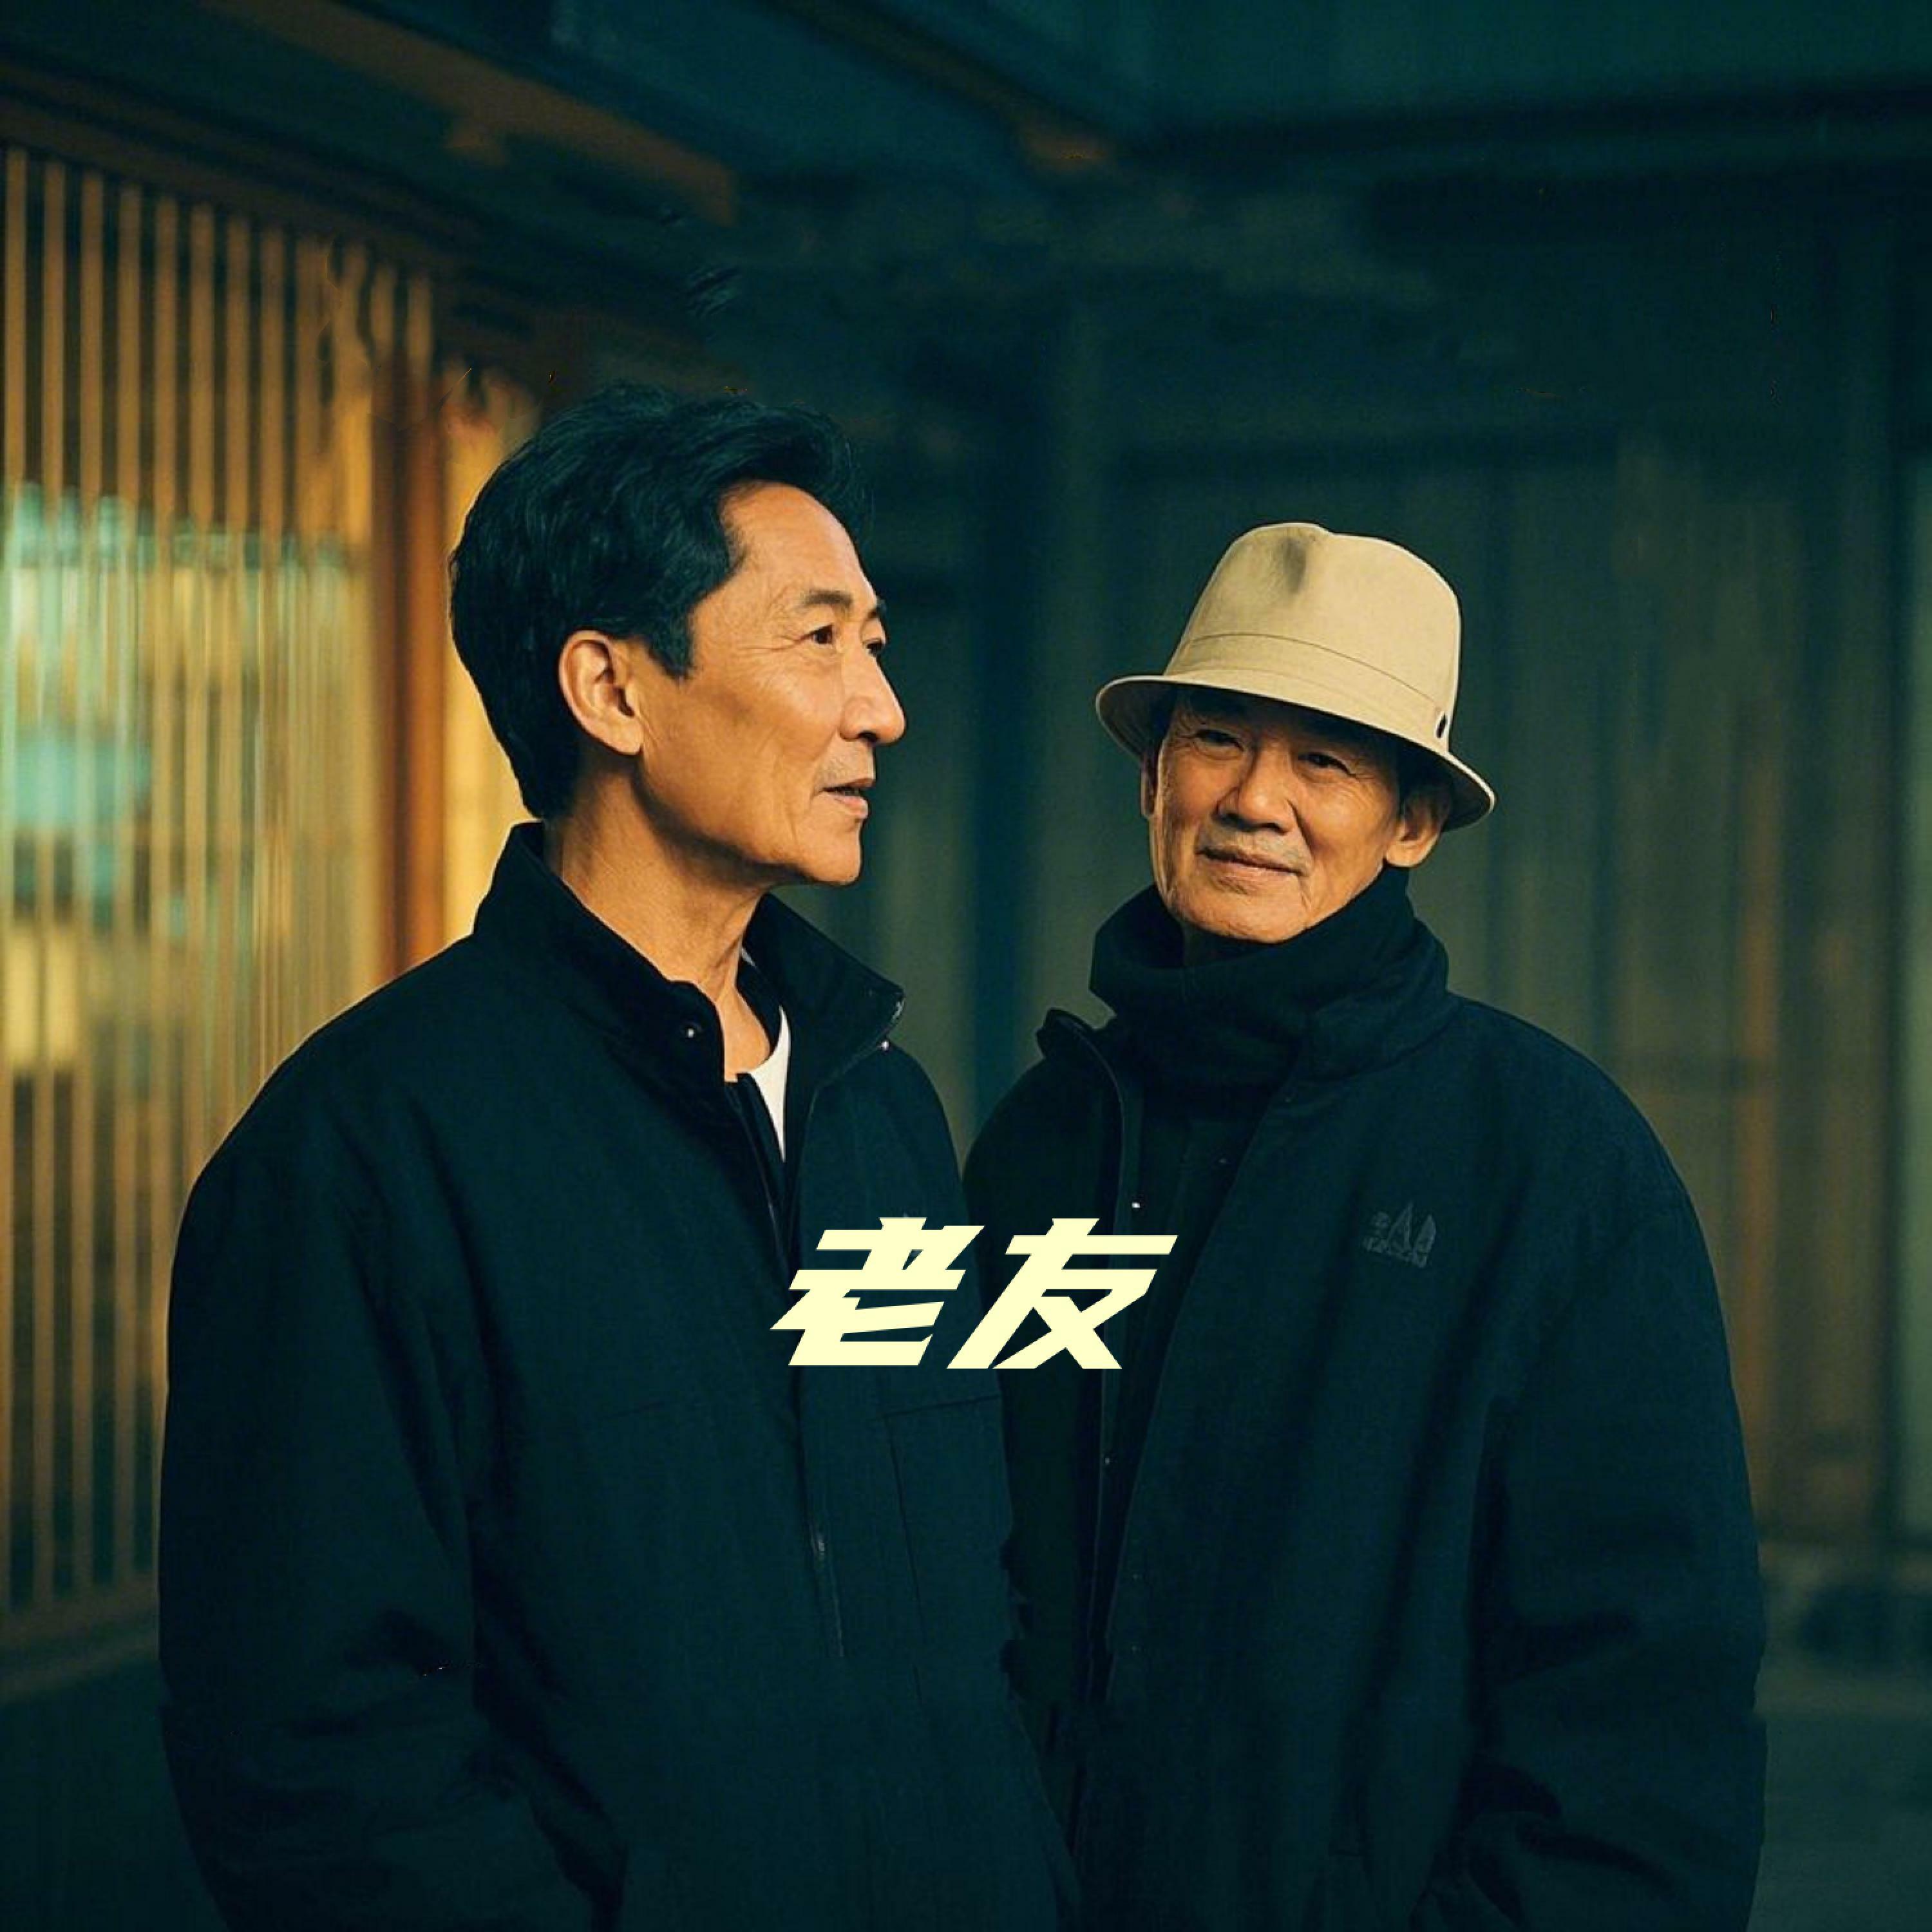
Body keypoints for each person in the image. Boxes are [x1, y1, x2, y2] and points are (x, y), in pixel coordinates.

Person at [160, 385, 1069, 1932]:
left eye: (875, 644)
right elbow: (318, 1764)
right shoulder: (363, 1154)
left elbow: (970, 1610)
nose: (880, 709)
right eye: (819, 639)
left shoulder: (879, 1111)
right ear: (611, 688)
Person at [966, 522, 1765, 1930]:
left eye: (1325, 761)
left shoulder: (1551, 1171)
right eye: (1218, 740)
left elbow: (1642, 1744)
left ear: (1413, 824)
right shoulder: (1045, 1145)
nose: (1254, 800)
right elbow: (959, 1579)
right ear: (1153, 776)